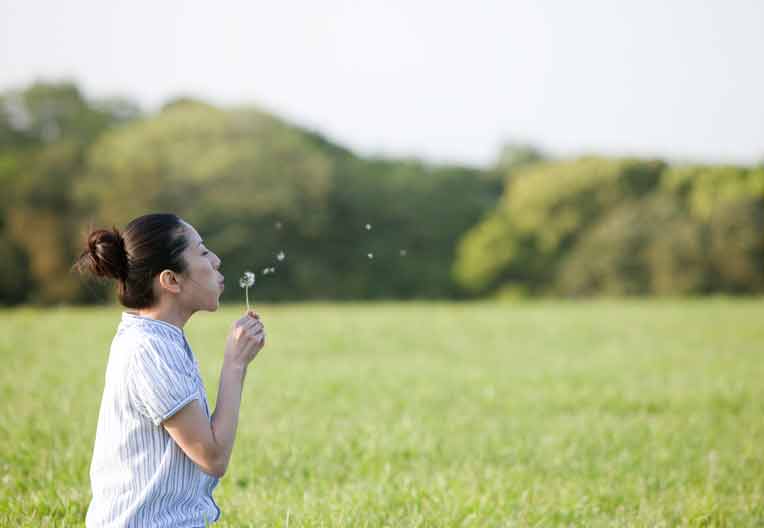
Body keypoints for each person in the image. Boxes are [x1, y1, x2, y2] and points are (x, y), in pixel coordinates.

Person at [74, 212, 265, 527]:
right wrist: (235, 364)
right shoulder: (149, 351)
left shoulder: (159, 340)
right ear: (171, 280)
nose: (216, 260)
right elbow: (213, 458)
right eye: (202, 252)